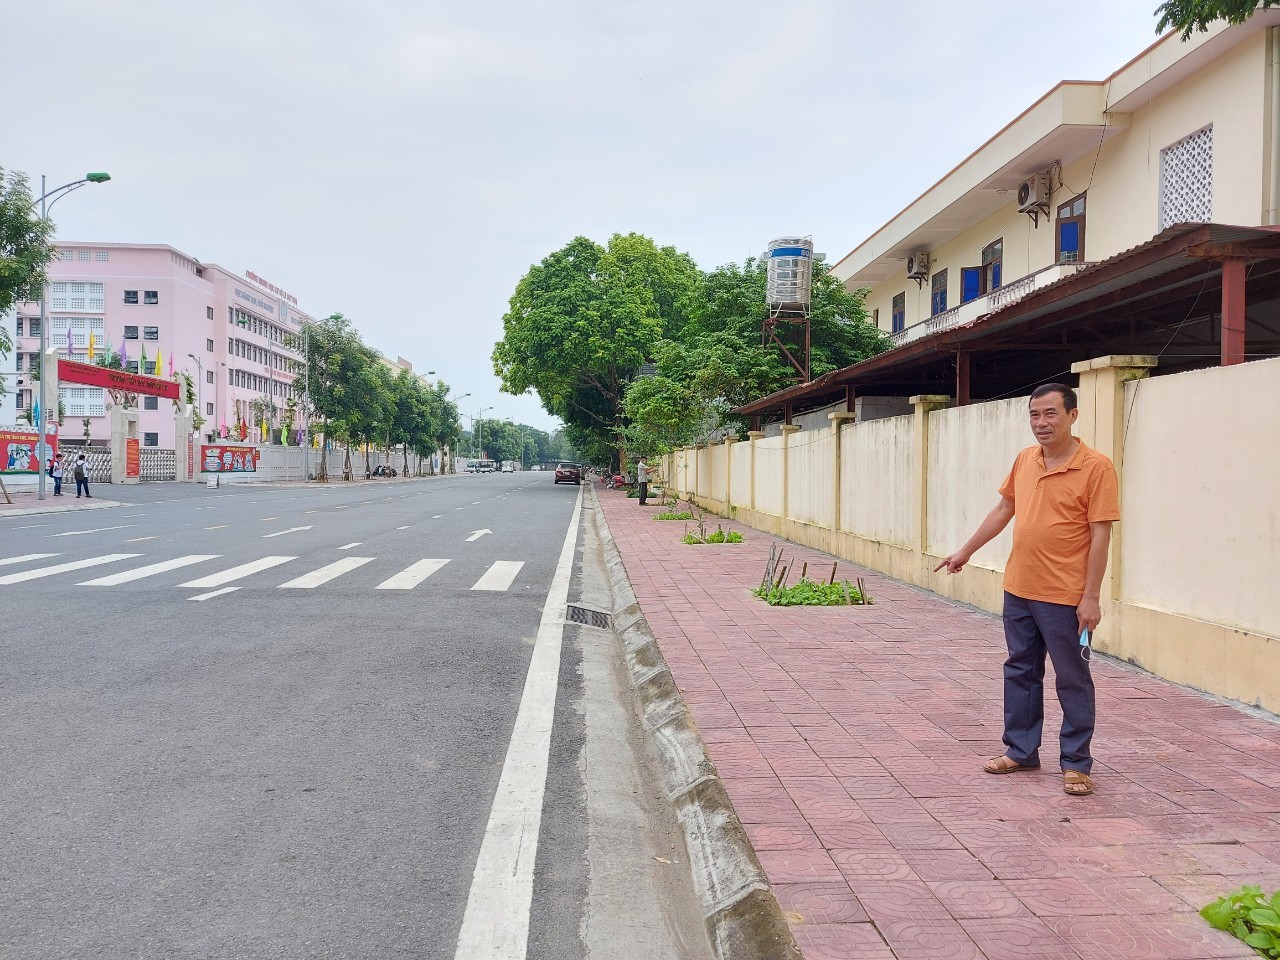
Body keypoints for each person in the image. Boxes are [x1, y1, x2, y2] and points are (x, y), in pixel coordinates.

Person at [934, 383, 1119, 797]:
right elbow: (1004, 509)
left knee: (1072, 677)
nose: (1041, 423)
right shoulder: (1025, 459)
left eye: (1050, 413)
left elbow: (1100, 535)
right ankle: (1020, 750)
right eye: (1035, 415)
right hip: (1019, 588)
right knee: (1020, 669)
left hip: (1066, 596)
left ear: (1072, 415)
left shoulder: (1096, 467)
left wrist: (1091, 597)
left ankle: (1076, 763)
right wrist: (964, 551)